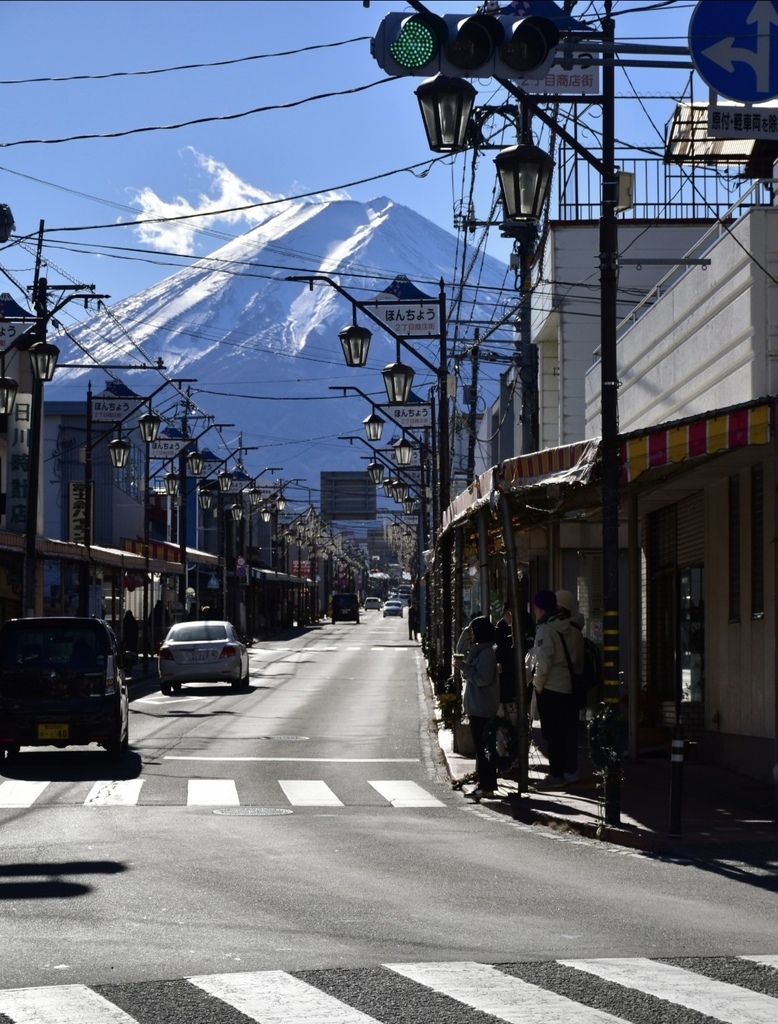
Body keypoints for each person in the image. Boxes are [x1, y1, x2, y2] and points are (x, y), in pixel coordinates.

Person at [529, 589, 584, 788]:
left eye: (535, 606)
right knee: (567, 733)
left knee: (552, 735)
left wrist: (538, 687)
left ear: (540, 608)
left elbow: (543, 664)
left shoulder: (546, 629)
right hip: (569, 687)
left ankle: (556, 775)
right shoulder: (571, 628)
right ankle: (570, 771)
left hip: (552, 689)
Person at [460, 615, 500, 799]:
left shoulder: (486, 654)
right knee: (481, 749)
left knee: (484, 749)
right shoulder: (479, 651)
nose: (471, 636)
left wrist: (464, 669)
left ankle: (487, 785)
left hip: (483, 708)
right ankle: (483, 783)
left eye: (473, 632)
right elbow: (460, 647)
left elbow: (483, 679)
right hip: (477, 707)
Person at [494, 601, 516, 706]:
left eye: (512, 612)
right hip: (503, 670)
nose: (510, 615)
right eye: (507, 612)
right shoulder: (500, 628)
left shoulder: (521, 625)